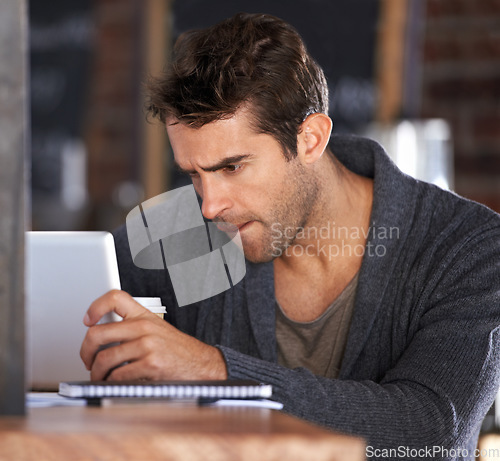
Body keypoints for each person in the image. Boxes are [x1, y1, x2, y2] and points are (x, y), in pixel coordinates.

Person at [80, 12, 500, 459]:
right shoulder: (187, 233)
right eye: (194, 174)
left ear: (311, 139)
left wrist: (214, 370)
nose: (209, 205)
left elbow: (431, 436)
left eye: (232, 167)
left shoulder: (463, 247)